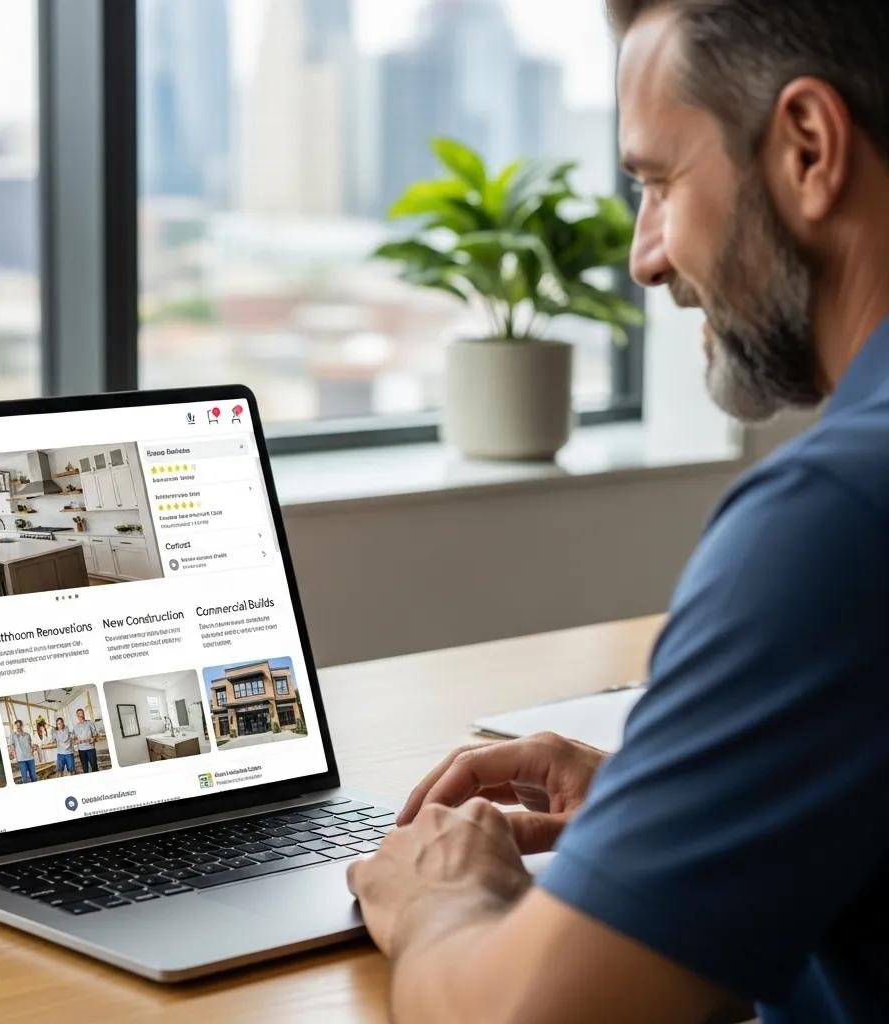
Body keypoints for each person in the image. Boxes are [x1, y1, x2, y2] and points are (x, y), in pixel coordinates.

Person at [347, 2, 889, 1022]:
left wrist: (441, 899)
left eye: (656, 182)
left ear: (808, 149)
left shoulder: (834, 519)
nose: (645, 256)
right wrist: (683, 806)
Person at [8, 719, 38, 784]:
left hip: (30, 758)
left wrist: (33, 749)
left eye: (19, 725)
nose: (18, 727)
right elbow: (11, 746)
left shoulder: (27, 735)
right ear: (15, 726)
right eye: (16, 726)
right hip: (21, 759)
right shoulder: (13, 735)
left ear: (22, 726)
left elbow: (30, 745)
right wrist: (14, 756)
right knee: (25, 778)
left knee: (33, 776)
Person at [72, 707, 100, 774]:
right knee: (85, 768)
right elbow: (74, 737)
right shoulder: (75, 727)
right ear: (77, 716)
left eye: (81, 713)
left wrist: (93, 738)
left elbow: (96, 734)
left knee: (94, 767)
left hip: (90, 749)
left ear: (83, 714)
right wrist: (75, 740)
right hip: (81, 750)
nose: (80, 715)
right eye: (78, 714)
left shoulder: (89, 723)